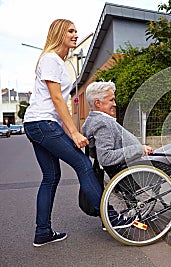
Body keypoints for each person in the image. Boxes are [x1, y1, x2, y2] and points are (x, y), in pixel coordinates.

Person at [23, 19, 131, 248]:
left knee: (51, 177)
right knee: (82, 164)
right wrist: (73, 133)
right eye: (71, 31)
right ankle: (110, 218)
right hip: (42, 124)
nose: (75, 34)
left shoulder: (58, 61)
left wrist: (75, 131)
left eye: (75, 31)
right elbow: (56, 100)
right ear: (59, 33)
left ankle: (42, 232)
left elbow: (58, 106)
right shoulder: (52, 59)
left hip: (37, 123)